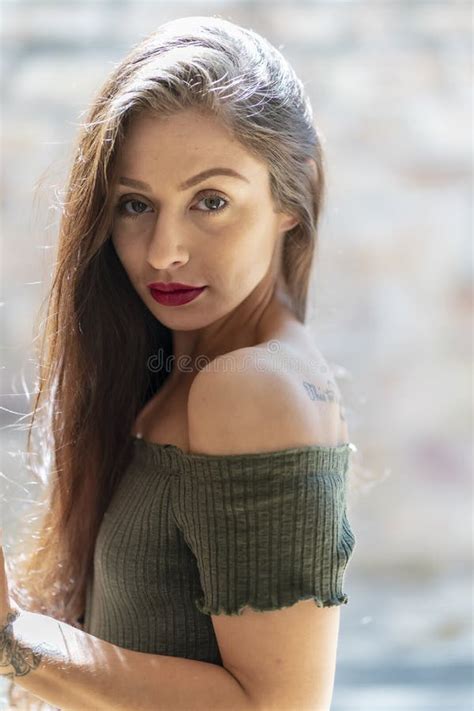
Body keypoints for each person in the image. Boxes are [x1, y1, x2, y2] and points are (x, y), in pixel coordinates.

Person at [4, 16, 356, 710]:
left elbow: (275, 705)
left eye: (211, 201)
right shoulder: (187, 370)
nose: (163, 250)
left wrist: (15, 639)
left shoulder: (247, 386)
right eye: (136, 204)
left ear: (293, 192)